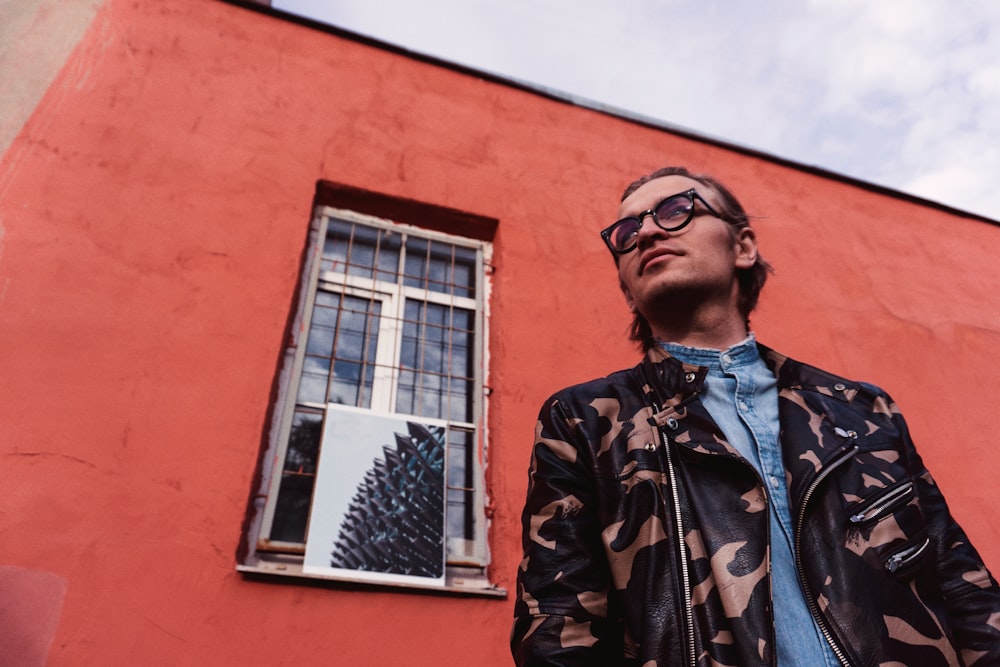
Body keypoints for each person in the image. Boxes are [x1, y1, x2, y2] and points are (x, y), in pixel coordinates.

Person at [510, 166, 1000, 666]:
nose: (649, 232)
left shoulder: (862, 411)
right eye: (626, 232)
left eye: (677, 210)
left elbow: (967, 592)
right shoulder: (584, 421)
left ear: (743, 247)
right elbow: (557, 625)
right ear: (627, 287)